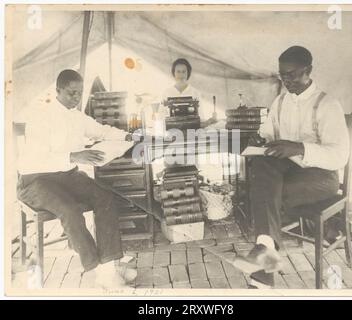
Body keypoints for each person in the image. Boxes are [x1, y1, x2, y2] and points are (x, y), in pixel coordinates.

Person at [17, 69, 137, 288]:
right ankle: (99, 271)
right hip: (35, 180)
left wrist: (127, 136)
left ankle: (110, 266)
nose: (76, 98)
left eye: (79, 93)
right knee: (70, 209)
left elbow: (101, 131)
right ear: (58, 91)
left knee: (104, 197)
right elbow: (36, 158)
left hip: (66, 175)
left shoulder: (77, 115)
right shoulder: (40, 116)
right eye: (71, 93)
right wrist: (73, 155)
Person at [243, 46, 350, 288]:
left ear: (308, 71)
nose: (286, 81)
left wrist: (300, 148)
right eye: (282, 75)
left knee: (264, 193)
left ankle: (264, 255)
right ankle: (267, 251)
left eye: (291, 74)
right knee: (262, 166)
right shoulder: (280, 102)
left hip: (322, 178)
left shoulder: (327, 104)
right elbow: (267, 133)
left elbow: (339, 156)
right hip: (286, 174)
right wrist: (259, 140)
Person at [161, 58, 217, 128]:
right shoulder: (166, 93)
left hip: (192, 132)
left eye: (184, 71)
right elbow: (161, 118)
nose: (181, 75)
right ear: (173, 73)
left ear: (188, 73)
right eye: (178, 71)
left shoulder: (195, 93)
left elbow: (200, 118)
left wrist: (210, 121)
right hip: (172, 132)